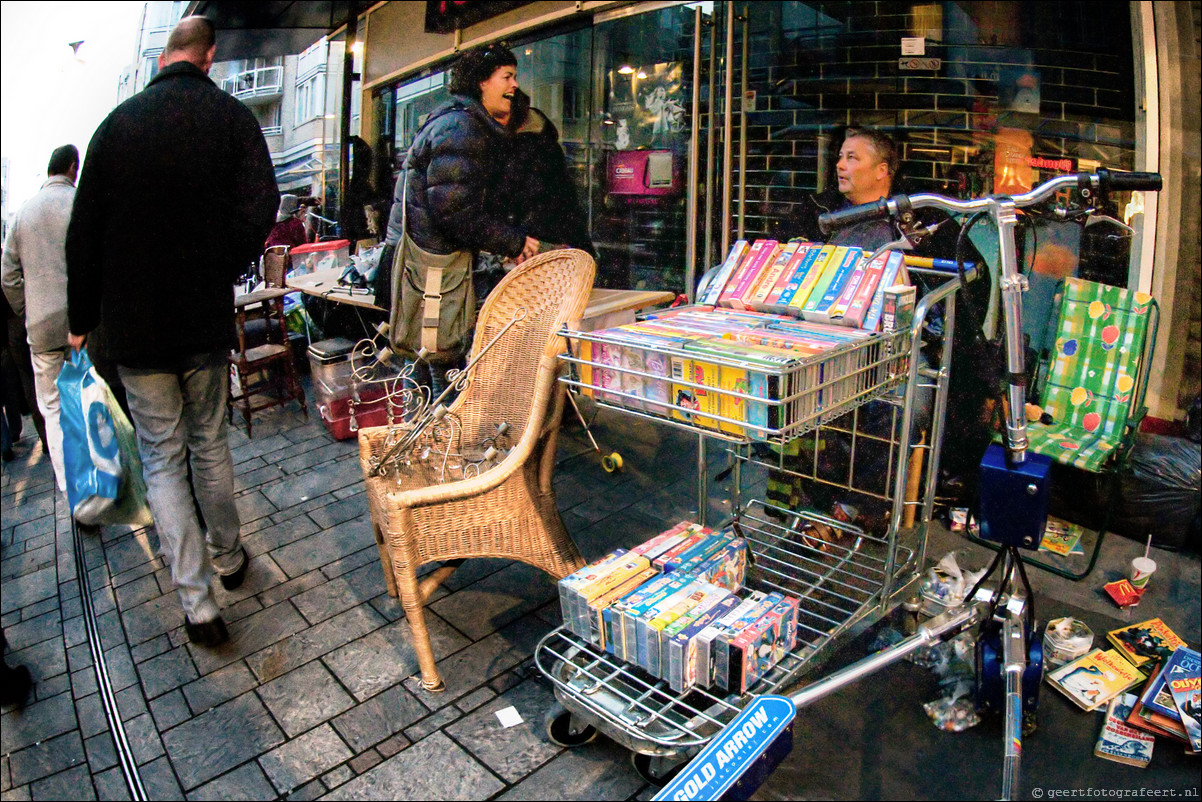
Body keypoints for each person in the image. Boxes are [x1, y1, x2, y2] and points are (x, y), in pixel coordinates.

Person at [65, 16, 278, 648]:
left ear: (165, 57)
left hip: (134, 327)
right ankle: (230, 556)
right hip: (201, 317)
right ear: (208, 56)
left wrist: (80, 320)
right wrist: (223, 260)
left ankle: (197, 604)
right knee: (210, 441)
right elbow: (261, 203)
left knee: (162, 456)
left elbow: (83, 234)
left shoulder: (116, 127)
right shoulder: (231, 119)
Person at [382, 42, 538, 393]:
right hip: (434, 268)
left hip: (425, 263)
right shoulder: (461, 128)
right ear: (482, 82)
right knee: (442, 368)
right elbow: (453, 210)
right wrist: (511, 241)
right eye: (507, 76)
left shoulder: (456, 122)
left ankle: (420, 441)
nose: (514, 86)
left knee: (421, 363)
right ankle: (442, 443)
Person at [1, 145, 79, 493]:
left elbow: (8, 277)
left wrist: (27, 309)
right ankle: (106, 476)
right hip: (82, 325)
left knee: (54, 411)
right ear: (72, 168)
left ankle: (73, 491)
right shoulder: (79, 203)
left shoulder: (22, 215)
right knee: (89, 401)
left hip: (42, 328)